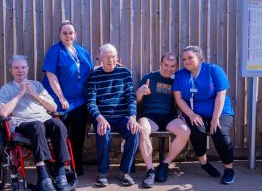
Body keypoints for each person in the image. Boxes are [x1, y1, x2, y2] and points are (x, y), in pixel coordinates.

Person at [0, 55, 71, 191]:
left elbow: (53, 107)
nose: (20, 70)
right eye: (16, 68)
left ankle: (61, 173)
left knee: (58, 125)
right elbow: (3, 112)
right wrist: (20, 93)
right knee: (36, 125)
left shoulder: (37, 85)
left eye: (23, 67)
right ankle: (43, 177)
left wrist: (34, 94)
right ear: (11, 70)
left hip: (43, 120)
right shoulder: (5, 89)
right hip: (23, 124)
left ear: (27, 69)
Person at [172, 46, 235, 184]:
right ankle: (204, 163)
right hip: (195, 112)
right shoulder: (180, 75)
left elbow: (221, 94)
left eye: (190, 58)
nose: (186, 61)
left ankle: (229, 169)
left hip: (220, 111)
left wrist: (215, 118)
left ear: (199, 57)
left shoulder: (214, 69)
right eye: (184, 59)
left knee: (219, 131)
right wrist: (191, 115)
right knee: (196, 129)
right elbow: (179, 99)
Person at [42, 20, 94, 176]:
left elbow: (91, 70)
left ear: (75, 35)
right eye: (64, 33)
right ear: (60, 34)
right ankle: (61, 165)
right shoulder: (55, 51)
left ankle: (76, 162)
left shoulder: (82, 51)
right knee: (60, 134)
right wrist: (61, 97)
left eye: (71, 33)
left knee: (78, 134)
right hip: (60, 101)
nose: (68, 36)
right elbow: (51, 76)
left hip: (79, 100)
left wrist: (109, 64)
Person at [86, 43, 140, 187]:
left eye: (114, 56)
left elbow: (131, 97)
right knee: (103, 132)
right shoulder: (94, 75)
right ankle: (102, 172)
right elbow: (90, 102)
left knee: (134, 131)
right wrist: (99, 118)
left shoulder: (125, 73)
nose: (111, 60)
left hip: (123, 116)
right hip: (103, 117)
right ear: (100, 59)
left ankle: (124, 171)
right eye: (107, 57)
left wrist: (133, 117)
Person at [136, 52, 190, 188]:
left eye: (172, 66)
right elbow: (136, 98)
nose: (169, 68)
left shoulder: (176, 80)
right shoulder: (150, 77)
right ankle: (150, 170)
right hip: (150, 116)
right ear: (161, 64)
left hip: (168, 116)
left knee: (185, 131)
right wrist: (141, 92)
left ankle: (165, 164)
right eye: (166, 65)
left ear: (176, 66)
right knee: (142, 131)